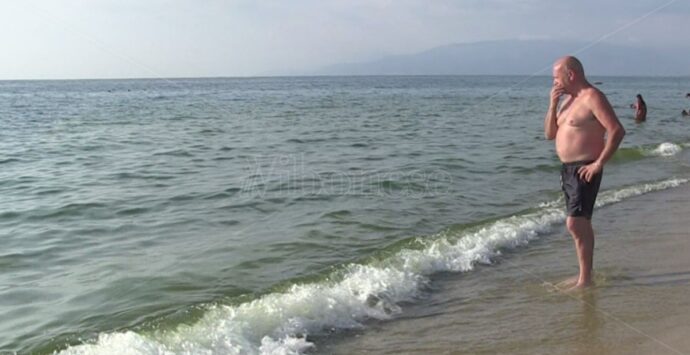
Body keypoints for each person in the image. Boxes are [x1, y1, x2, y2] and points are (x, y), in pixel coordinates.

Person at [544, 56, 626, 289]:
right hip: (567, 170)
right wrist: (552, 104)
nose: (553, 82)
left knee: (575, 223)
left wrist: (598, 163)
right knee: (579, 224)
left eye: (556, 77)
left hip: (585, 168)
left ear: (571, 75)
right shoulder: (566, 101)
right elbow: (550, 134)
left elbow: (617, 130)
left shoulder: (593, 97)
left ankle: (585, 280)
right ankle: (584, 275)